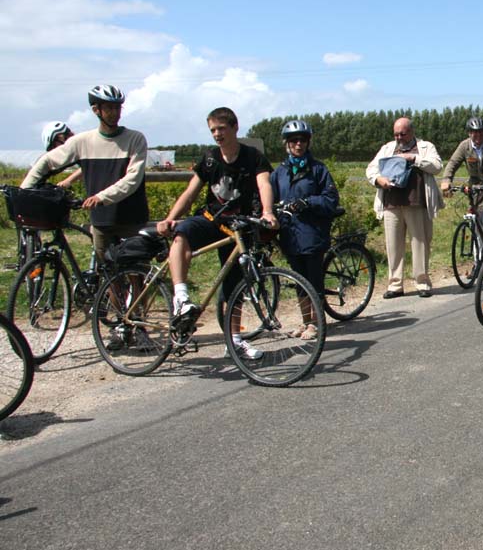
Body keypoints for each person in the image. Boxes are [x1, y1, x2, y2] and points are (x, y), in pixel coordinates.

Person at [155, 107, 277, 361]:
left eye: (221, 128)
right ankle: (181, 296)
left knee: (235, 287)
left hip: (238, 226)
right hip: (211, 219)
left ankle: (233, 341)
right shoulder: (210, 158)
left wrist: (267, 212)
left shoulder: (253, 157)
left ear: (235, 127)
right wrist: (169, 217)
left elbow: (264, 183)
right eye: (212, 130)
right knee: (182, 234)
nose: (217, 134)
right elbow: (190, 192)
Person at [23, 85, 149, 260]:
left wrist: (101, 197)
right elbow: (48, 161)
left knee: (135, 272)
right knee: (106, 272)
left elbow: (133, 178)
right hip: (101, 219)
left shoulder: (135, 139)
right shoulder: (82, 142)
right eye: (109, 108)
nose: (115, 112)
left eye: (117, 107)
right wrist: (24, 191)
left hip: (131, 217)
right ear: (96, 110)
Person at [270, 120, 340, 341]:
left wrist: (308, 202)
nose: (298, 144)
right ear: (286, 144)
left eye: (302, 140)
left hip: (312, 232)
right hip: (289, 234)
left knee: (313, 279)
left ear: (308, 142)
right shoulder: (280, 172)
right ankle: (305, 320)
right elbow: (269, 198)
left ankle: (317, 323)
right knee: (299, 280)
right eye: (293, 141)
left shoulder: (318, 169)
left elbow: (330, 200)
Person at [366, 117, 444, 299]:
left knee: (420, 243)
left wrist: (414, 158)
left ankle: (422, 282)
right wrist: (379, 180)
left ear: (412, 131)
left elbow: (437, 166)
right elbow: (371, 169)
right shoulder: (387, 148)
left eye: (403, 133)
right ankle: (395, 285)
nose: (399, 137)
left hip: (416, 202)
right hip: (391, 203)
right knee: (393, 245)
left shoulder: (426, 147)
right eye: (396, 134)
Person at [440, 116, 483, 227]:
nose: (478, 135)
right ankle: (479, 243)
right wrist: (446, 180)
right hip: (477, 184)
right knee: (477, 220)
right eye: (475, 132)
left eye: (481, 131)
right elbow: (453, 163)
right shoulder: (464, 146)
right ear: (469, 133)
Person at [40, 121, 83, 188]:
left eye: (54, 146)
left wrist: (68, 181)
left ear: (61, 137)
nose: (54, 150)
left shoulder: (81, 147)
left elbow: (89, 166)